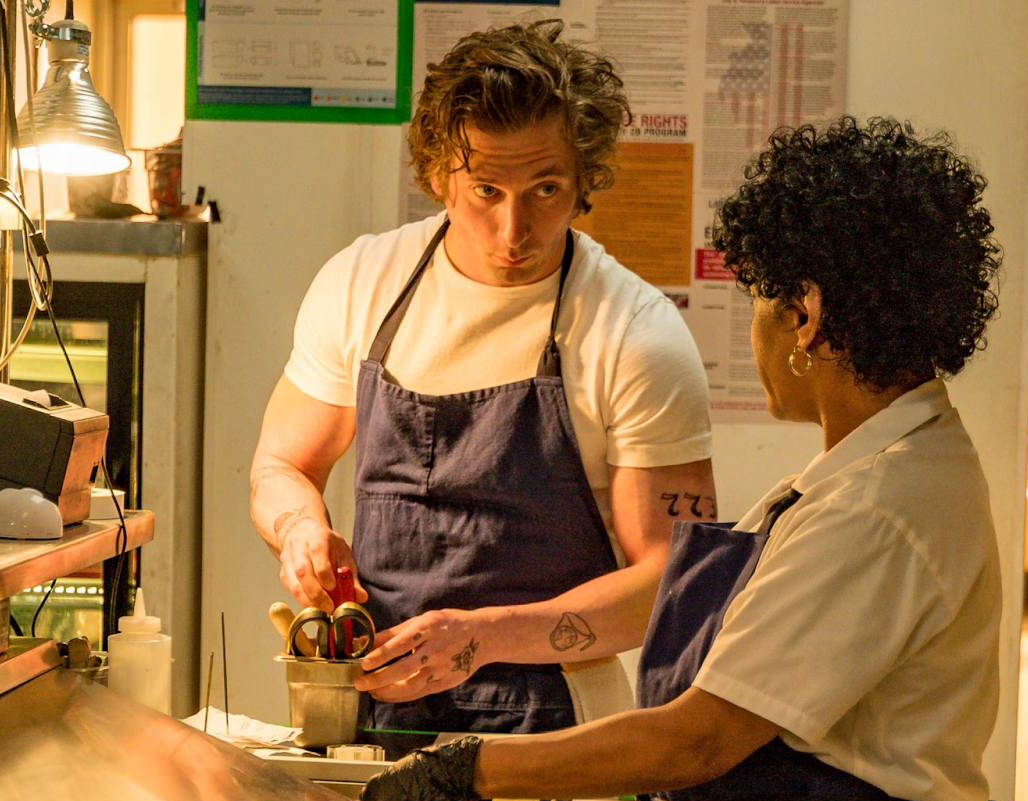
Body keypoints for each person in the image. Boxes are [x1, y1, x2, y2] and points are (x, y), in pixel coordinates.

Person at [360, 117, 1025, 801]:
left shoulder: (879, 508)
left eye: (757, 301)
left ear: (808, 316)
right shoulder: (871, 469)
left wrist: (465, 773)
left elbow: (700, 736)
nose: (751, 331)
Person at [250, 21, 715, 739]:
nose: (513, 229)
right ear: (438, 175)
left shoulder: (634, 333)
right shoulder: (362, 285)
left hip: (557, 727)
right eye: (486, 190)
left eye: (546, 188)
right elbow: (282, 465)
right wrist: (300, 530)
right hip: (374, 707)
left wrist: (487, 638)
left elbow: (671, 579)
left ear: (585, 177)